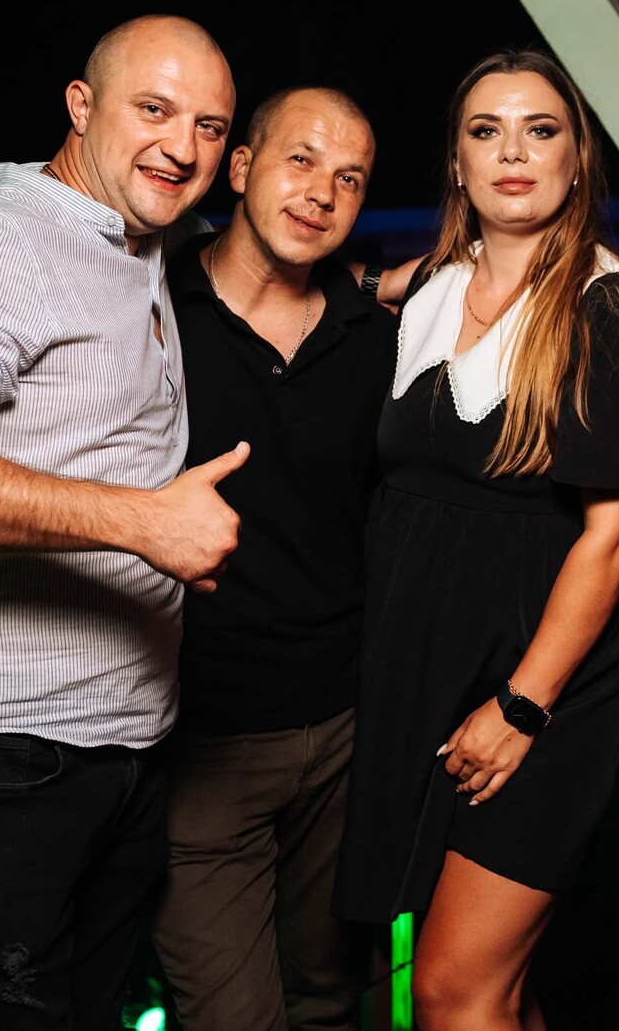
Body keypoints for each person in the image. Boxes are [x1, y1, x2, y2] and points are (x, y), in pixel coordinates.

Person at [0, 14, 246, 1028]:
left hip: (125, 737)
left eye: (208, 126)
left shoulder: (140, 238)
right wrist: (143, 523)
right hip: (2, 749)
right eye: (153, 109)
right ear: (81, 106)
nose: (181, 146)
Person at [332, 49, 619, 1031]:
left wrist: (523, 707)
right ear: (457, 162)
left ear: (578, 160)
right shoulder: (427, 292)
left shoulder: (617, 303)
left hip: (543, 683)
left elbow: (617, 534)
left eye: (541, 130)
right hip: (424, 666)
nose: (513, 153)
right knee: (498, 992)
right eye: (486, 132)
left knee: (452, 990)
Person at [146, 87, 393, 1031]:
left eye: (350, 179)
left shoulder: (379, 340)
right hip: (201, 744)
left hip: (344, 737)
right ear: (241, 168)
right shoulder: (151, 310)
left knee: (328, 1004)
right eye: (302, 160)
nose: (322, 193)